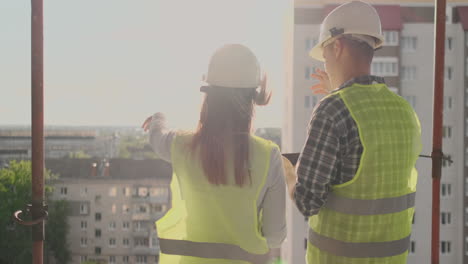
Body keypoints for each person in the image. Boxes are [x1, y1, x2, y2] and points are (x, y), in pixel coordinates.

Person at [282, 1, 422, 263]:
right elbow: (372, 157)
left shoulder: (333, 110)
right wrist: (336, 94)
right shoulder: (404, 111)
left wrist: (288, 172)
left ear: (337, 46)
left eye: (325, 57)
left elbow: (307, 201)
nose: (326, 65)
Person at [142, 44, 286, 264]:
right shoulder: (269, 156)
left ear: (207, 96)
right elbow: (275, 236)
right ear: (252, 100)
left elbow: (157, 137)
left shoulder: (181, 144)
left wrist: (158, 117)